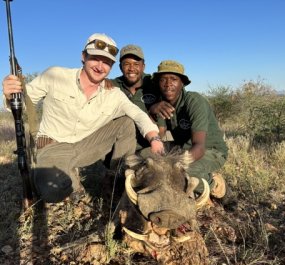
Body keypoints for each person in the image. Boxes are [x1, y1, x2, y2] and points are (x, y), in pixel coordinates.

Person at [2, 33, 164, 203]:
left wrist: (155, 139)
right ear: (83, 56)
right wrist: (10, 94)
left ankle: (115, 180)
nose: (100, 66)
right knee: (52, 192)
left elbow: (138, 114)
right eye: (95, 58)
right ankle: (71, 180)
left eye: (107, 62)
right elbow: (25, 102)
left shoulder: (114, 93)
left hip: (86, 146)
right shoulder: (55, 75)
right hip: (53, 146)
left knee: (126, 123)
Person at [151, 60, 228, 198]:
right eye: (163, 80)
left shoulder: (194, 101)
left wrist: (177, 164)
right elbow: (159, 136)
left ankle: (216, 185)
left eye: (174, 79)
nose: (168, 84)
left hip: (210, 151)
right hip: (182, 150)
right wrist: (152, 111)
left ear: (182, 84)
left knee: (185, 172)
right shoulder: (162, 103)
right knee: (148, 161)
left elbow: (199, 146)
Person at [111, 44, 159, 149]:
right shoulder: (111, 86)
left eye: (136, 64)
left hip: (149, 144)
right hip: (120, 145)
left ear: (143, 66)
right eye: (126, 64)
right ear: (120, 67)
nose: (131, 68)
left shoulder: (155, 84)